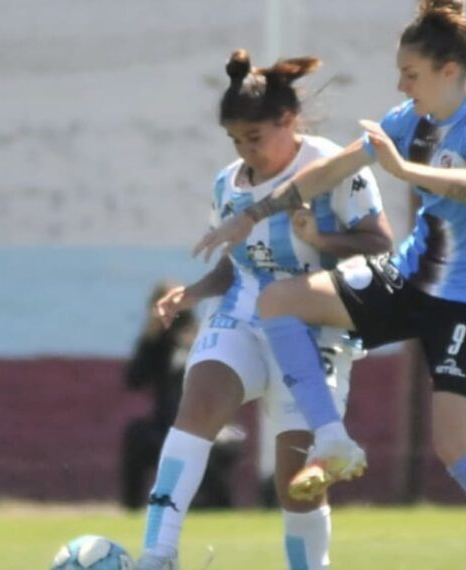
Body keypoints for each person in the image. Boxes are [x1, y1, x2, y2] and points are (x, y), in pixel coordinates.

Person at [193, 2, 466, 569]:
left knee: (457, 448)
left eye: (411, 73)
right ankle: (331, 438)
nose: (401, 83)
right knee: (280, 299)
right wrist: (255, 214)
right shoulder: (411, 119)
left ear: (448, 70)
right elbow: (331, 171)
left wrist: (405, 173)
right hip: (408, 278)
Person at [136, 49, 393, 570]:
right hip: (244, 313)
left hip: (314, 327)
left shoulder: (331, 166)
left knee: (296, 485)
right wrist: (193, 292)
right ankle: (157, 555)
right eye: (236, 140)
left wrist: (320, 237)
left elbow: (379, 243)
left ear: (287, 120)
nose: (245, 151)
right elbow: (236, 266)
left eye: (254, 138)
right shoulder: (227, 184)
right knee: (200, 402)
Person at [120, 283, 240, 511]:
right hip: (166, 424)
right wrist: (149, 338)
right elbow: (134, 380)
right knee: (135, 436)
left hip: (210, 424)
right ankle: (132, 508)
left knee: (211, 447)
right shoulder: (157, 345)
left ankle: (219, 510)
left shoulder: (203, 336)